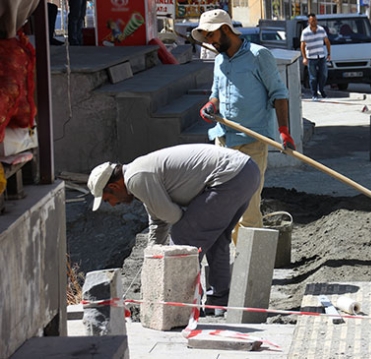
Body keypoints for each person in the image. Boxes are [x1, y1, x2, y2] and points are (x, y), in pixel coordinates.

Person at [87, 144, 260, 317]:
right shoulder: (138, 172)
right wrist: (151, 258)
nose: (112, 204)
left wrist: (167, 255)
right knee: (216, 239)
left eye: (108, 198)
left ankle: (182, 307)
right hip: (246, 172)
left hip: (230, 177)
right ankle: (219, 301)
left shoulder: (136, 179)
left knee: (182, 239)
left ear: (115, 187)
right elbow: (158, 221)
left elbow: (172, 216)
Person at [191, 9, 295, 240]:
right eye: (206, 37)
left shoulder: (259, 56)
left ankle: (253, 265)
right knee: (223, 204)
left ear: (226, 29)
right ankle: (234, 259)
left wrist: (284, 131)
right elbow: (216, 94)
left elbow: (279, 93)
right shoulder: (219, 61)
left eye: (211, 35)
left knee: (247, 205)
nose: (209, 42)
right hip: (224, 141)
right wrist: (210, 106)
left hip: (251, 142)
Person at [300, 13, 331, 101]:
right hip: (311, 57)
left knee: (324, 74)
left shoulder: (321, 30)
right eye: (313, 20)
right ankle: (314, 94)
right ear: (309, 21)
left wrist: (329, 54)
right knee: (313, 77)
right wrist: (304, 57)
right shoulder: (305, 32)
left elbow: (327, 41)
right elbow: (302, 45)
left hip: (321, 56)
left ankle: (321, 89)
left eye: (315, 20)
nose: (315, 22)